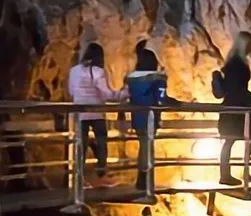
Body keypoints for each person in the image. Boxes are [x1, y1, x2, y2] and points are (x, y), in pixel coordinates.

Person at [125, 41, 180, 199]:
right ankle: (144, 181)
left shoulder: (132, 79)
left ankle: (141, 179)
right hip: (150, 117)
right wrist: (176, 103)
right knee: (147, 148)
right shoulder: (157, 79)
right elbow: (161, 99)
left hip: (138, 117)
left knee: (144, 146)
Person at [67, 42, 126, 186]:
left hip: (79, 113)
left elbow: (71, 91)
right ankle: (101, 175)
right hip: (96, 113)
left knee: (81, 144)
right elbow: (106, 94)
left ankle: (78, 179)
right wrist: (123, 94)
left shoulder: (74, 70)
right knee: (101, 144)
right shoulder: (97, 72)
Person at [215, 31, 251, 186]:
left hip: (234, 107)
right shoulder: (237, 65)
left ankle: (233, 172)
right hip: (236, 108)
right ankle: (231, 173)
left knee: (235, 139)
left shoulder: (233, 63)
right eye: (250, 45)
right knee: (235, 138)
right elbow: (237, 89)